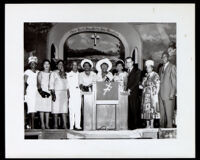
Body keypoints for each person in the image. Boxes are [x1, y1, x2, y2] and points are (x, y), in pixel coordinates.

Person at [49, 60, 70, 129]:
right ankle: (55, 125)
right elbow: (51, 83)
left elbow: (67, 84)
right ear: (57, 65)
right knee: (56, 110)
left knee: (64, 110)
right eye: (59, 64)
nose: (60, 66)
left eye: (62, 64)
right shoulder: (53, 73)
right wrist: (53, 94)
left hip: (64, 93)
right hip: (56, 93)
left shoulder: (65, 74)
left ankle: (65, 125)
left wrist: (68, 93)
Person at [140, 60, 160, 128]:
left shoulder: (155, 75)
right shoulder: (146, 75)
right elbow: (142, 85)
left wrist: (155, 93)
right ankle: (147, 125)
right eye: (146, 67)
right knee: (146, 110)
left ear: (152, 68)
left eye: (149, 67)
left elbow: (157, 85)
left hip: (152, 95)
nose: (147, 69)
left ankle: (152, 124)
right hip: (146, 95)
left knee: (152, 109)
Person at [159, 52, 176, 128]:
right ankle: (162, 131)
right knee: (162, 116)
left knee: (169, 116)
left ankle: (169, 133)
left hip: (169, 95)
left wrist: (172, 93)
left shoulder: (172, 67)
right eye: (162, 57)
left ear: (168, 57)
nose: (163, 58)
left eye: (165, 57)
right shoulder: (160, 68)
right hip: (161, 95)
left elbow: (174, 81)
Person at [125, 57, 141, 130]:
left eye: (129, 62)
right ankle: (130, 127)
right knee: (129, 110)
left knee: (134, 110)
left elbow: (136, 82)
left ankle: (136, 127)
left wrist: (130, 89)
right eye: (127, 62)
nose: (128, 64)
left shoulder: (137, 71)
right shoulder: (127, 72)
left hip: (134, 94)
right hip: (126, 94)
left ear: (132, 62)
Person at [24, 56, 39, 129]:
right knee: (31, 109)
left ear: (36, 64)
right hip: (30, 91)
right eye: (31, 63)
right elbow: (24, 82)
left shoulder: (38, 72)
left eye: (34, 63)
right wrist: (24, 93)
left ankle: (32, 126)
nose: (33, 64)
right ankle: (32, 127)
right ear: (29, 64)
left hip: (37, 92)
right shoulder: (27, 72)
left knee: (35, 109)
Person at [36, 59, 52, 129]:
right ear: (43, 65)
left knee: (47, 108)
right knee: (42, 108)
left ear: (50, 65)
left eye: (48, 64)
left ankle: (47, 124)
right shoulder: (40, 73)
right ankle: (42, 124)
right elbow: (38, 84)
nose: (46, 65)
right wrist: (41, 92)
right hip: (41, 92)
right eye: (45, 64)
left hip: (49, 92)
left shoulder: (51, 73)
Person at [68, 61, 82, 130]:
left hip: (78, 93)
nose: (75, 66)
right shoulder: (68, 74)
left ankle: (78, 125)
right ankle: (71, 125)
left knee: (78, 109)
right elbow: (67, 85)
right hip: (71, 93)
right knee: (71, 110)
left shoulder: (80, 74)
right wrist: (68, 94)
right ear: (71, 66)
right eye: (73, 65)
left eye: (76, 65)